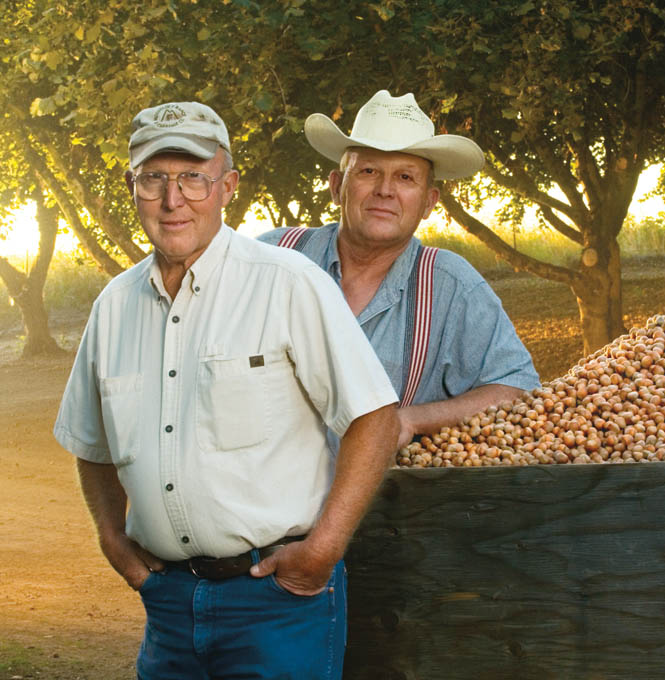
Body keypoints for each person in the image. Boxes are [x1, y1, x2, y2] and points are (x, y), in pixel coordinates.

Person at [54, 101, 401, 679]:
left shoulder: (286, 284)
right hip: (167, 605)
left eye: (193, 177)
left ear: (227, 186)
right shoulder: (113, 306)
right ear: (131, 186)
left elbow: (375, 417)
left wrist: (323, 551)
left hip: (278, 603)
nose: (173, 199)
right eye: (154, 179)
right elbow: (90, 443)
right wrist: (113, 539)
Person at [259, 90, 539, 450]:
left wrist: (411, 419)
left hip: (384, 502)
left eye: (406, 177)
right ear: (336, 186)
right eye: (368, 171)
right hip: (259, 497)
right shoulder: (272, 256)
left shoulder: (451, 286)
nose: (385, 190)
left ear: (428, 202)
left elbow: (517, 388)